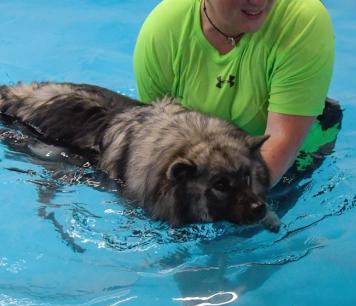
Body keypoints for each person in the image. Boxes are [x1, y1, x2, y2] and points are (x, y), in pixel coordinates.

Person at [134, 0, 342, 187]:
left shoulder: (303, 20)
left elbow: (282, 141)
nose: (258, 1)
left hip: (299, 149)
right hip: (213, 158)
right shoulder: (163, 30)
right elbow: (157, 144)